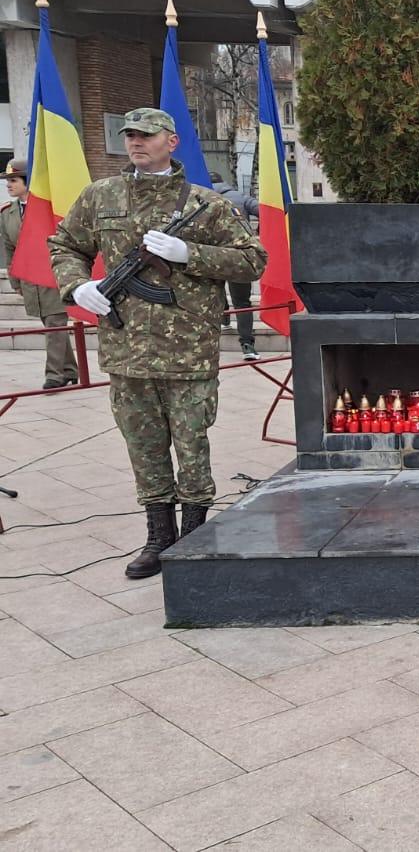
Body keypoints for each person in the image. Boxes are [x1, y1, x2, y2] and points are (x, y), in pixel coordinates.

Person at [50, 108, 266, 579]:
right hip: (126, 349)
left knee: (191, 446)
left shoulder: (205, 203)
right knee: (143, 445)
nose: (136, 143)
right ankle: (158, 536)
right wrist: (77, 286)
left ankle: (194, 535)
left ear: (171, 141)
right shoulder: (100, 196)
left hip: (188, 349)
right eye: (130, 135)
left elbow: (253, 260)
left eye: (146, 136)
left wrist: (190, 253)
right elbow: (64, 244)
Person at [0, 159, 79, 389]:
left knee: (55, 323)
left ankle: (54, 375)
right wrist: (15, 279)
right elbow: (10, 248)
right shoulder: (7, 213)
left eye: (14, 180)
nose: (9, 185)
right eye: (7, 181)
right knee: (51, 323)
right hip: (30, 278)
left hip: (52, 275)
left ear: (28, 182)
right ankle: (70, 370)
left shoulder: (47, 207)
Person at [209, 171, 261, 361]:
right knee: (242, 301)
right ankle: (247, 345)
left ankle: (224, 319)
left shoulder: (201, 197)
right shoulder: (240, 196)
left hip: (211, 255)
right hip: (239, 256)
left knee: (215, 292)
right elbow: (262, 210)